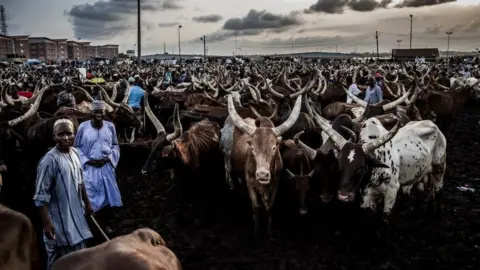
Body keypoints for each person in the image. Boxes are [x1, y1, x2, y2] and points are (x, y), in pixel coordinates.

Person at [33, 119, 93, 270]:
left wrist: (88, 203)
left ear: (74, 135)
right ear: (54, 136)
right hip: (59, 225)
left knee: (78, 261)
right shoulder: (48, 161)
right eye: (61, 134)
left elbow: (80, 182)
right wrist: (47, 223)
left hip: (76, 220)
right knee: (58, 264)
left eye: (69, 133)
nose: (65, 138)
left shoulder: (75, 153)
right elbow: (40, 195)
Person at [74, 100, 121, 235]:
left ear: (104, 112)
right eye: (96, 112)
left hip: (106, 167)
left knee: (107, 197)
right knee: (90, 195)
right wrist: (88, 161)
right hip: (90, 168)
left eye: (101, 111)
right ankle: (90, 225)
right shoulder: (83, 127)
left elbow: (115, 145)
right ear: (92, 113)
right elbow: (77, 147)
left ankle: (106, 224)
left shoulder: (110, 126)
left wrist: (109, 158)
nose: (99, 114)